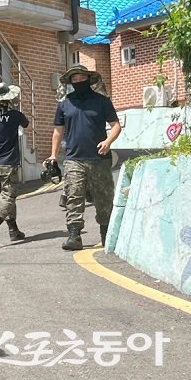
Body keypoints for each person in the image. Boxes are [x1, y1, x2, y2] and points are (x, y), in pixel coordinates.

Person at [45, 65, 121, 251]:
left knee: (103, 197)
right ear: (70, 82)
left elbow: (116, 125)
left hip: (99, 158)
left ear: (88, 79)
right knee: (74, 196)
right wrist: (53, 155)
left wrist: (108, 142)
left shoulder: (102, 101)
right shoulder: (65, 103)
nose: (78, 82)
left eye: (81, 78)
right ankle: (74, 235)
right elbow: (58, 131)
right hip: (73, 158)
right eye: (74, 79)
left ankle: (106, 233)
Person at [0, 83, 30, 247]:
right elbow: (26, 123)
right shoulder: (14, 115)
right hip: (7, 164)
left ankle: (14, 231)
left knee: (5, 198)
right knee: (8, 196)